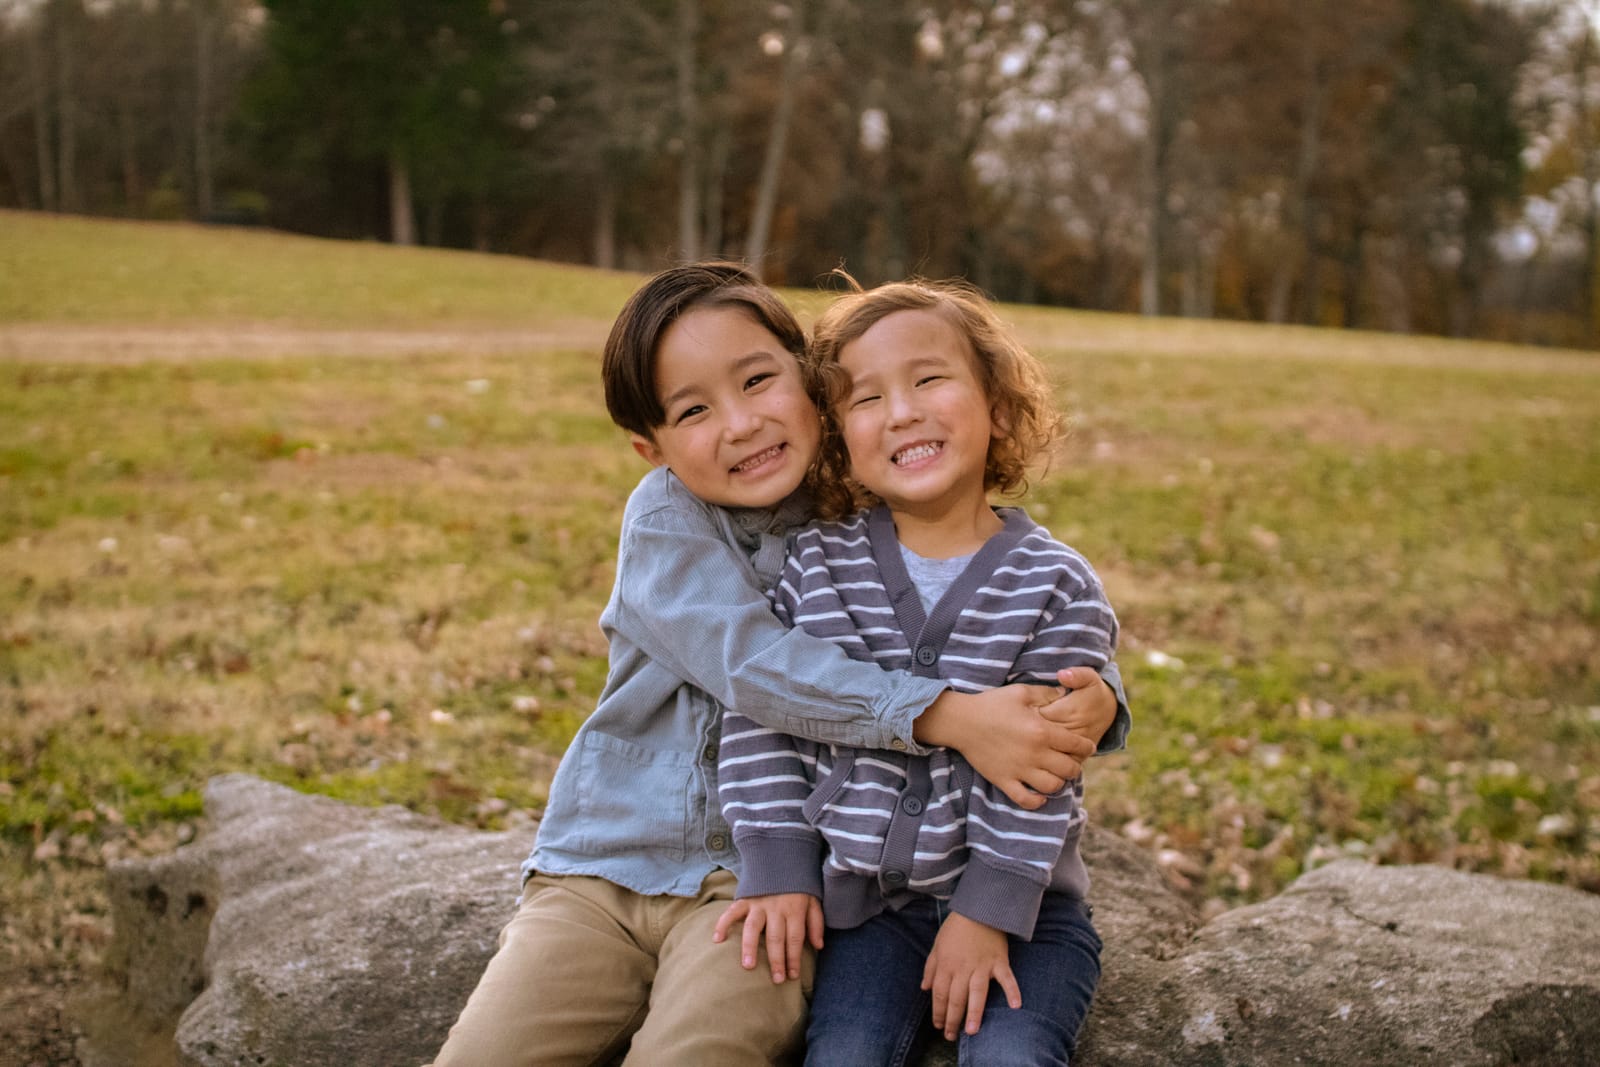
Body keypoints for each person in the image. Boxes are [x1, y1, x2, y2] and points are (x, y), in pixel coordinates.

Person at [429, 263, 1128, 1067]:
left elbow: (1020, 617)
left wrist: (1098, 693)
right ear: (648, 447)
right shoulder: (668, 517)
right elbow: (758, 674)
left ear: (810, 386)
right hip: (608, 864)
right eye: (693, 410)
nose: (742, 424)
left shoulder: (859, 512)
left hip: (755, 883)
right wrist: (948, 714)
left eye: (759, 380)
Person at [716, 276, 1118, 1066]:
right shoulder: (817, 564)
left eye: (929, 378)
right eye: (865, 398)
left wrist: (987, 913)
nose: (901, 411)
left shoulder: (1056, 583)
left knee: (1011, 1055)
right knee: (845, 1052)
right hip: (869, 913)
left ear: (998, 406)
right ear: (840, 437)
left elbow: (1045, 759)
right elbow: (767, 711)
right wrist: (780, 863)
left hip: (1028, 911)